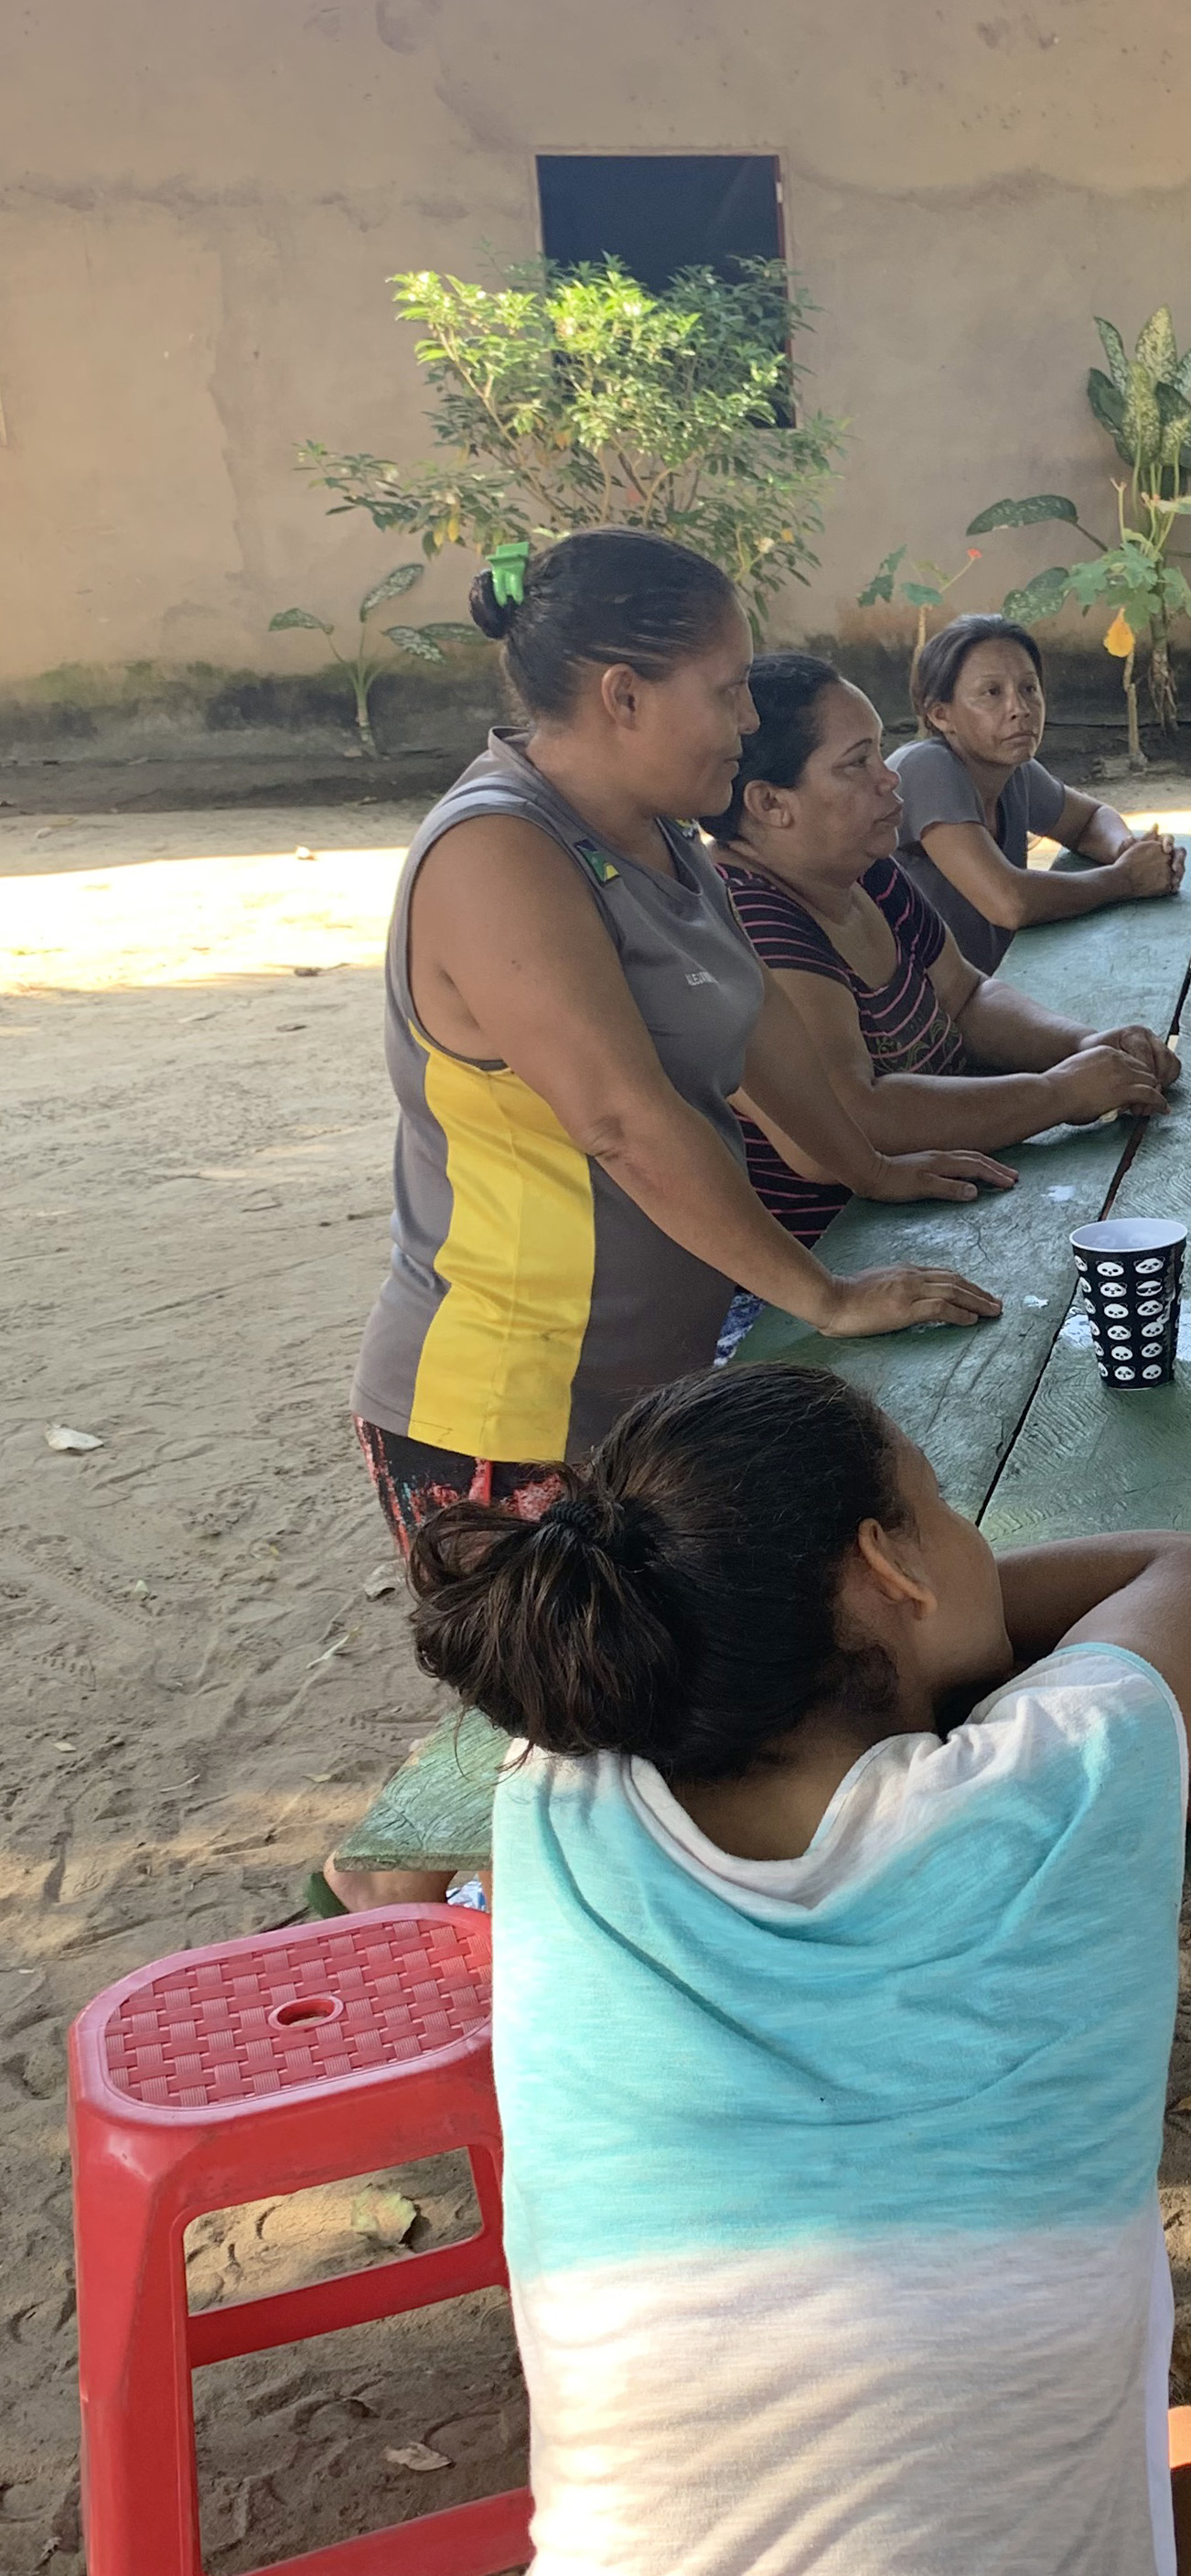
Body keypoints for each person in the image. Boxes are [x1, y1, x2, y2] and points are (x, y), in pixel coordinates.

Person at [401, 1363, 1191, 2576]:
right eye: (941, 1513)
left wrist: (828, 1615)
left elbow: (820, 1622)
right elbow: (1180, 1565)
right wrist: (1015, 1667)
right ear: (888, 1565)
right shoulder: (1070, 1769)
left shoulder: (548, 1800)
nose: (966, 1538)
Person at [339, 531, 1001, 1907]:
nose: (748, 718)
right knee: (563, 1739)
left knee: (633, 1728)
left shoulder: (659, 840)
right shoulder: (498, 851)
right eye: (726, 686)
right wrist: (822, 1294)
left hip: (645, 1387)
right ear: (623, 694)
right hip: (506, 1401)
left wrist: (868, 1169)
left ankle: (423, 1915)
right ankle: (373, 1919)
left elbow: (750, 1037)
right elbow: (624, 1118)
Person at [708, 653, 1180, 1255]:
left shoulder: (860, 867)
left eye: (880, 752)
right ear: (770, 804)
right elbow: (854, 1114)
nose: (889, 778)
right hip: (839, 1248)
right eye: (857, 762)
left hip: (936, 1209)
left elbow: (966, 995)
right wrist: (1057, 1094)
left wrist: (1083, 1046)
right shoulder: (753, 920)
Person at [889, 615, 1186, 974]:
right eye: (991, 693)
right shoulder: (926, 768)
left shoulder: (1015, 772)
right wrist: (1126, 878)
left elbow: (1089, 821)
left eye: (1029, 688)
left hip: (989, 987)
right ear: (941, 715)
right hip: (910, 1002)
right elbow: (1009, 902)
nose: (1020, 709)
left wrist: (1128, 850)